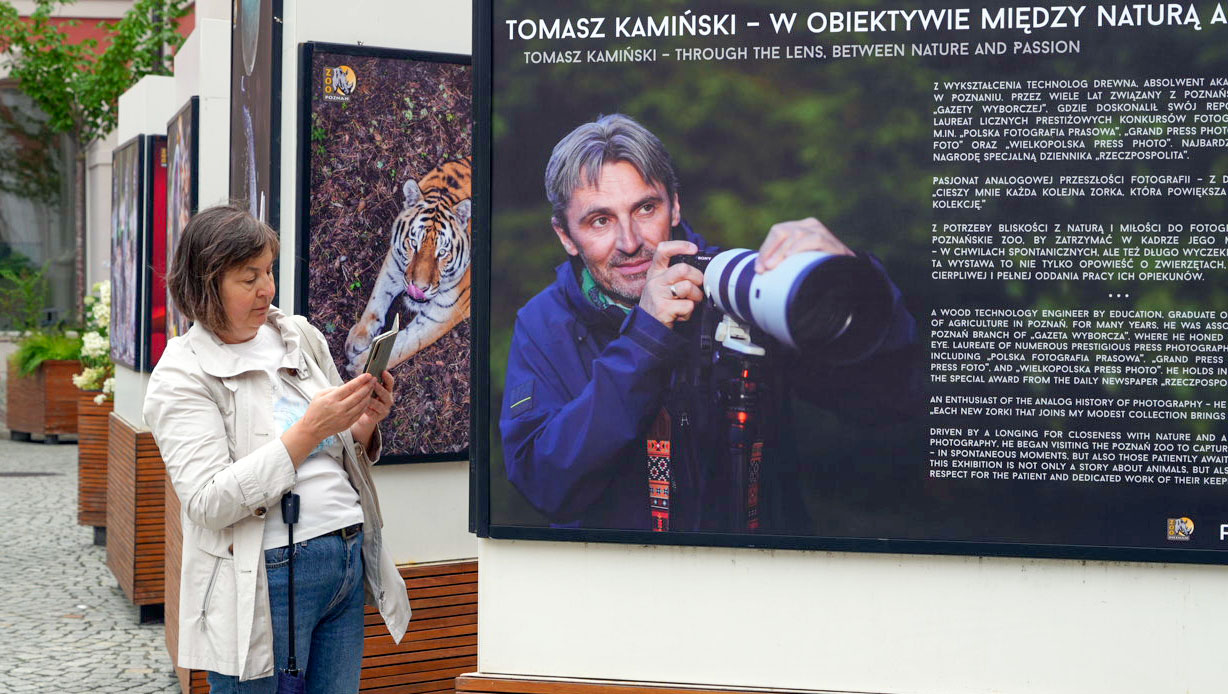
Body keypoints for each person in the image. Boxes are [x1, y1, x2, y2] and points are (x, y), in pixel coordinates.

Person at [500, 114, 921, 533]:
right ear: (566, 236)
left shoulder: (737, 290)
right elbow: (545, 485)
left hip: (762, 576)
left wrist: (856, 286)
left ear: (675, 204)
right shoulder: (544, 324)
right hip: (621, 585)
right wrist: (643, 340)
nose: (630, 243)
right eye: (600, 221)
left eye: (646, 208)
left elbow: (890, 398)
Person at [144, 206, 410, 692]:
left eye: (268, 271)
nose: (267, 289)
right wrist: (307, 432)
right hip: (268, 573)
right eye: (249, 278)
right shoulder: (182, 373)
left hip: (347, 558)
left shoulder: (298, 335)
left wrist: (365, 423)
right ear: (207, 284)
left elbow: (334, 446)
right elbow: (206, 502)